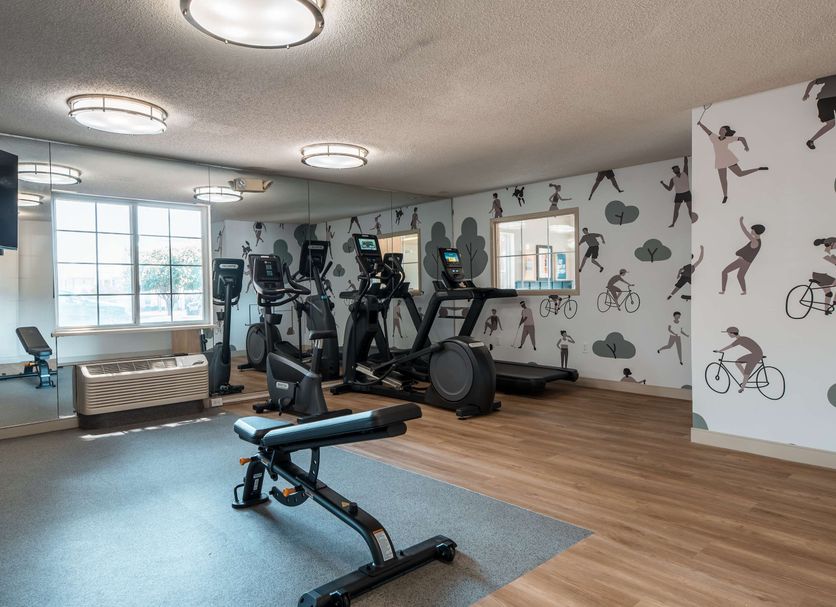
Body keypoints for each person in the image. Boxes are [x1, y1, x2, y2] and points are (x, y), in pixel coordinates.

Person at [696, 120, 768, 204]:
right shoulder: (714, 137)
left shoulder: (728, 139)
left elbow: (742, 138)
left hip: (728, 158)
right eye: (720, 129)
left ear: (725, 132)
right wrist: (700, 124)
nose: (720, 130)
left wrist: (746, 147)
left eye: (722, 129)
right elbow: (707, 130)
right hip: (720, 161)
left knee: (740, 174)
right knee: (723, 180)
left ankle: (758, 169)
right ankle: (725, 195)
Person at [720, 217, 764, 295]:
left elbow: (745, 232)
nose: (751, 231)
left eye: (752, 230)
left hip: (742, 261)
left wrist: (741, 222)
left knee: (724, 272)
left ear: (755, 231)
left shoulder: (755, 242)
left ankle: (723, 290)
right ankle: (744, 291)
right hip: (747, 262)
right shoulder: (758, 242)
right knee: (740, 276)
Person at [716, 327, 764, 393]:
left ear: (732, 333)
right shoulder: (741, 338)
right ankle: (745, 377)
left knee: (747, 371)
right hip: (756, 353)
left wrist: (720, 350)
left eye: (729, 333)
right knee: (737, 362)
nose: (728, 335)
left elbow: (730, 346)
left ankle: (742, 387)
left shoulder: (740, 339)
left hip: (756, 355)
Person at [802, 74, 836, 149]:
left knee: (831, 124)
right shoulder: (829, 77)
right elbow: (812, 82)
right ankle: (811, 141)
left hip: (828, 100)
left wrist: (806, 94)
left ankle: (811, 141)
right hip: (824, 101)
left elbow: (812, 83)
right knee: (831, 124)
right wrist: (806, 93)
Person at [660, 157, 694, 227]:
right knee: (676, 210)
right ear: (673, 171)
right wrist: (663, 184)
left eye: (676, 168)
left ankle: (693, 221)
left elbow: (686, 164)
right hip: (679, 195)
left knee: (690, 208)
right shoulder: (673, 179)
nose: (675, 170)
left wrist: (685, 157)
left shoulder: (685, 173)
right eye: (674, 169)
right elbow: (669, 188)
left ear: (679, 169)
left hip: (687, 193)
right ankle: (673, 223)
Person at [812, 237, 836, 314]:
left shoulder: (828, 252)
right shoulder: (826, 253)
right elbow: (833, 261)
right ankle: (835, 301)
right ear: (832, 243)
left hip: (818, 275)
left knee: (829, 293)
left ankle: (826, 310)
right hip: (822, 275)